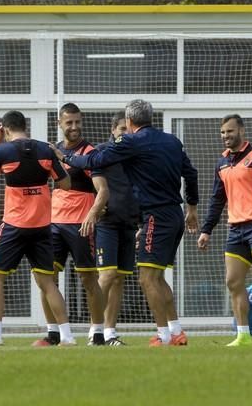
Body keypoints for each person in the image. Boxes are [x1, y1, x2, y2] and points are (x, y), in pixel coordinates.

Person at [58, 99, 199, 347]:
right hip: (173, 215)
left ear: (131, 121)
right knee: (156, 277)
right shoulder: (172, 141)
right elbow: (191, 173)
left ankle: (163, 336)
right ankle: (176, 332)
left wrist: (65, 155)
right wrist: (192, 207)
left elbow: (91, 162)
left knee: (146, 278)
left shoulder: (131, 142)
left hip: (155, 216)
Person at [0, 111, 75, 347]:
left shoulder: (4, 152)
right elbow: (66, 183)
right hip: (42, 226)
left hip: (14, 225)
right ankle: (67, 336)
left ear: (4, 129)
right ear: (25, 127)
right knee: (47, 282)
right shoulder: (45, 150)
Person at [197, 114, 252, 347]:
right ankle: (243, 335)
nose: (226, 136)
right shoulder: (222, 163)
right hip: (234, 229)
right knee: (233, 282)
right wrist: (206, 230)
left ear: (242, 131)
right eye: (223, 132)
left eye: (230, 131)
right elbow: (217, 200)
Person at [32, 102, 109, 347]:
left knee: (89, 280)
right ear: (60, 123)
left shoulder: (90, 153)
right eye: (69, 122)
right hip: (53, 224)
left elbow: (103, 190)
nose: (74, 127)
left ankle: (97, 332)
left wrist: (93, 214)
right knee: (45, 278)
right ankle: (53, 333)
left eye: (77, 122)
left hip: (80, 225)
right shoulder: (50, 153)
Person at [93, 112, 140, 346]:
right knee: (107, 276)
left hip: (130, 223)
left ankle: (110, 332)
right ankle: (96, 331)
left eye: (129, 129)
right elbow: (88, 179)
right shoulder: (102, 152)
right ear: (113, 130)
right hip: (107, 222)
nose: (126, 133)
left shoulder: (137, 154)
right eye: (122, 129)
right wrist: (95, 206)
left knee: (120, 279)